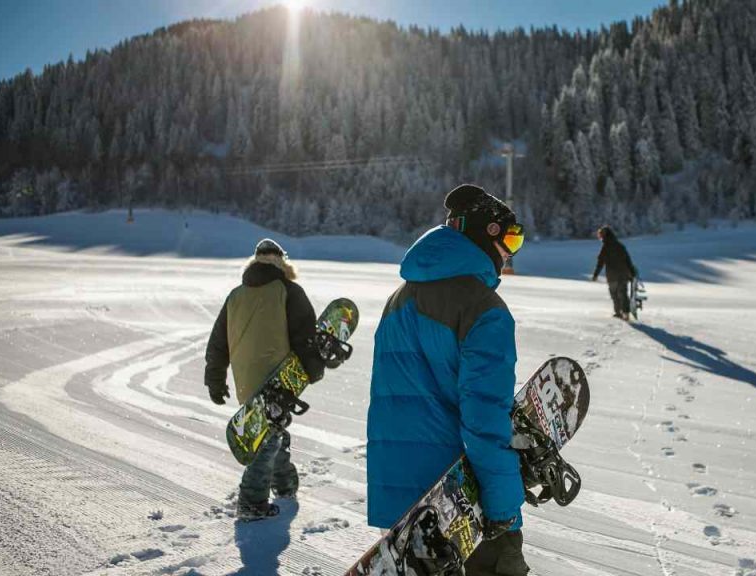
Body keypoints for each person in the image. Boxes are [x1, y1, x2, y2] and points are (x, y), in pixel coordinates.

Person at [367, 184, 528, 575]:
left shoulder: (399, 298)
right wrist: (504, 508)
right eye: (511, 237)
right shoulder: (483, 308)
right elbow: (485, 419)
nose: (511, 251)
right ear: (484, 235)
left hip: (404, 501)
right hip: (461, 504)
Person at [204, 239, 327, 521]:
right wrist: (314, 368)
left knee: (271, 431)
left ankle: (285, 485)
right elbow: (305, 337)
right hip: (278, 379)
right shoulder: (288, 291)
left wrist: (215, 379)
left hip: (246, 380)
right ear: (282, 262)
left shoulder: (235, 295)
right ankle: (250, 502)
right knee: (267, 440)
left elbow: (218, 343)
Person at [592, 225, 638, 319]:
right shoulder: (620, 246)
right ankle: (626, 313)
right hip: (623, 274)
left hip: (612, 276)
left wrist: (595, 275)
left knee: (615, 295)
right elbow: (628, 260)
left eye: (600, 235)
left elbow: (600, 262)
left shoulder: (605, 247)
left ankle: (618, 312)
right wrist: (632, 272)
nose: (600, 237)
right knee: (623, 293)